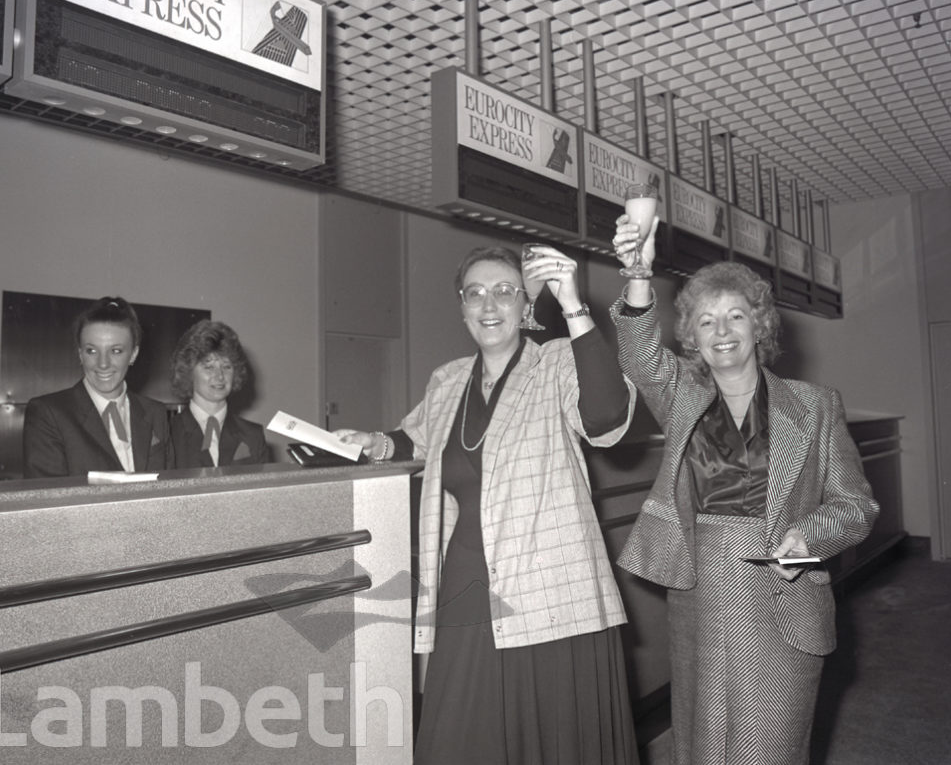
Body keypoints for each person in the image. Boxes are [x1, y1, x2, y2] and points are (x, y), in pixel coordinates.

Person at [337, 246, 641, 764]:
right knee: (458, 736)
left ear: (526, 307)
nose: (489, 303)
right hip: (466, 582)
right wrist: (374, 442)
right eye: (474, 293)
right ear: (461, 308)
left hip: (549, 587)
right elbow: (417, 440)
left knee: (548, 736)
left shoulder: (559, 362)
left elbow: (609, 418)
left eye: (504, 291)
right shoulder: (447, 379)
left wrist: (572, 303)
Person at [609, 214, 880, 765]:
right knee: (705, 749)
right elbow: (637, 355)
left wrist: (809, 538)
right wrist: (638, 272)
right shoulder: (682, 393)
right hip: (702, 595)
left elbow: (857, 505)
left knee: (769, 750)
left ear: (760, 326)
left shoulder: (814, 404)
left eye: (735, 316)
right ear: (693, 338)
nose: (722, 330)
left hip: (782, 591)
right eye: (706, 322)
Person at [23, 296, 172, 478]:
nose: (103, 364)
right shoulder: (49, 413)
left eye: (115, 351)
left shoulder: (155, 412)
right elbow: (47, 498)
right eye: (91, 351)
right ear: (80, 354)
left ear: (133, 354)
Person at [168, 319, 269, 468]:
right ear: (189, 371)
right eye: (209, 367)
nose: (220, 376)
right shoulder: (168, 433)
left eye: (227, 367)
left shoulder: (253, 435)